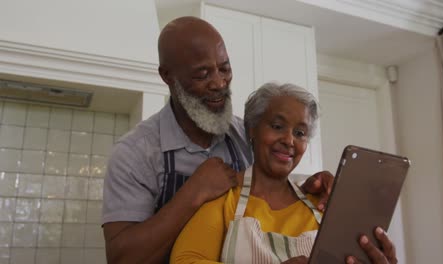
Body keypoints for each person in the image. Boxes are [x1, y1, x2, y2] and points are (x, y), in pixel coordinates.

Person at [102, 17, 334, 264]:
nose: (219, 83)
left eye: (224, 69)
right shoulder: (135, 154)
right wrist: (194, 192)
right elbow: (121, 258)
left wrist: (313, 185)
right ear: (167, 76)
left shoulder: (246, 133)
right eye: (202, 74)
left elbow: (273, 179)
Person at [170, 83, 397, 264]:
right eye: (277, 126)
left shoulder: (320, 205)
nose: (289, 141)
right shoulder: (223, 197)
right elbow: (185, 261)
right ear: (252, 129)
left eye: (300, 133)